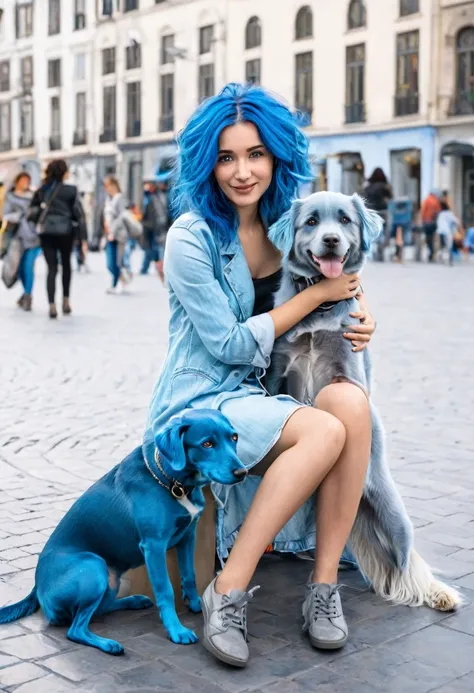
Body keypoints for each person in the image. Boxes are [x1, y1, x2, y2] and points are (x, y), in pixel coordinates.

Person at [143, 83, 377, 666]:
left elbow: (339, 283)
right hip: (206, 397)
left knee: (351, 404)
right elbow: (225, 343)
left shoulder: (289, 227)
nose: (242, 171)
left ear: (277, 157)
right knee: (324, 430)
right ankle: (228, 592)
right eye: (226, 157)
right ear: (207, 164)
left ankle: (323, 591)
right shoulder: (189, 238)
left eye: (255, 154)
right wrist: (315, 297)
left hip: (266, 394)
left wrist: (358, 311)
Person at [29, 160, 87, 319]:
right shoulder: (71, 190)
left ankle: (52, 305)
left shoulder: (42, 190)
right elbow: (79, 215)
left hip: (47, 233)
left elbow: (31, 213)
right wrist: (83, 238)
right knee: (66, 266)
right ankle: (66, 301)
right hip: (65, 233)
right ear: (63, 172)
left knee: (52, 268)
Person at [2, 172, 40, 310]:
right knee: (20, 269)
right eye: (23, 180)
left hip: (34, 237)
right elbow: (6, 215)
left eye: (27, 180)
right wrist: (19, 215)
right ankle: (25, 293)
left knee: (28, 266)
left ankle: (28, 296)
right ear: (17, 181)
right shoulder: (10, 197)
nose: (25, 183)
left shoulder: (34, 196)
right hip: (17, 237)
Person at [140, 178, 170, 282]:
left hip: (157, 228)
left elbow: (161, 214)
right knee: (153, 248)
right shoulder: (148, 196)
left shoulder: (156, 196)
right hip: (152, 227)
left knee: (157, 249)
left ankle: (158, 269)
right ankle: (151, 268)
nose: (146, 186)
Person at [103, 175, 127, 294]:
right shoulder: (109, 199)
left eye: (107, 186)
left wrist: (112, 231)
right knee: (109, 263)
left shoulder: (119, 198)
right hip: (109, 234)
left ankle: (115, 284)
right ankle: (122, 278)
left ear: (113, 185)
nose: (106, 188)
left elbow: (121, 217)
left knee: (115, 262)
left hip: (118, 235)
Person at [364, 168, 392, 261]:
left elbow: (364, 199)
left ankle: (373, 249)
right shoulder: (384, 186)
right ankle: (381, 248)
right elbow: (390, 196)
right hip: (382, 210)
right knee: (384, 230)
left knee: (373, 231)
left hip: (371, 212)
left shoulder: (368, 187)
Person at [436, 201, 460, 265]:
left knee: (443, 246)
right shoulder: (449, 213)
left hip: (440, 232)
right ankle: (449, 259)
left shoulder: (440, 214)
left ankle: (442, 258)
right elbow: (457, 221)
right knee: (449, 246)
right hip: (447, 232)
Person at [421, 189, 441, 262]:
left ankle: (431, 252)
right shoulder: (436, 201)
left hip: (427, 221)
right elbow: (438, 211)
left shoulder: (427, 200)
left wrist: (422, 220)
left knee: (429, 238)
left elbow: (423, 211)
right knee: (432, 238)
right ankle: (432, 253)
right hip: (433, 222)